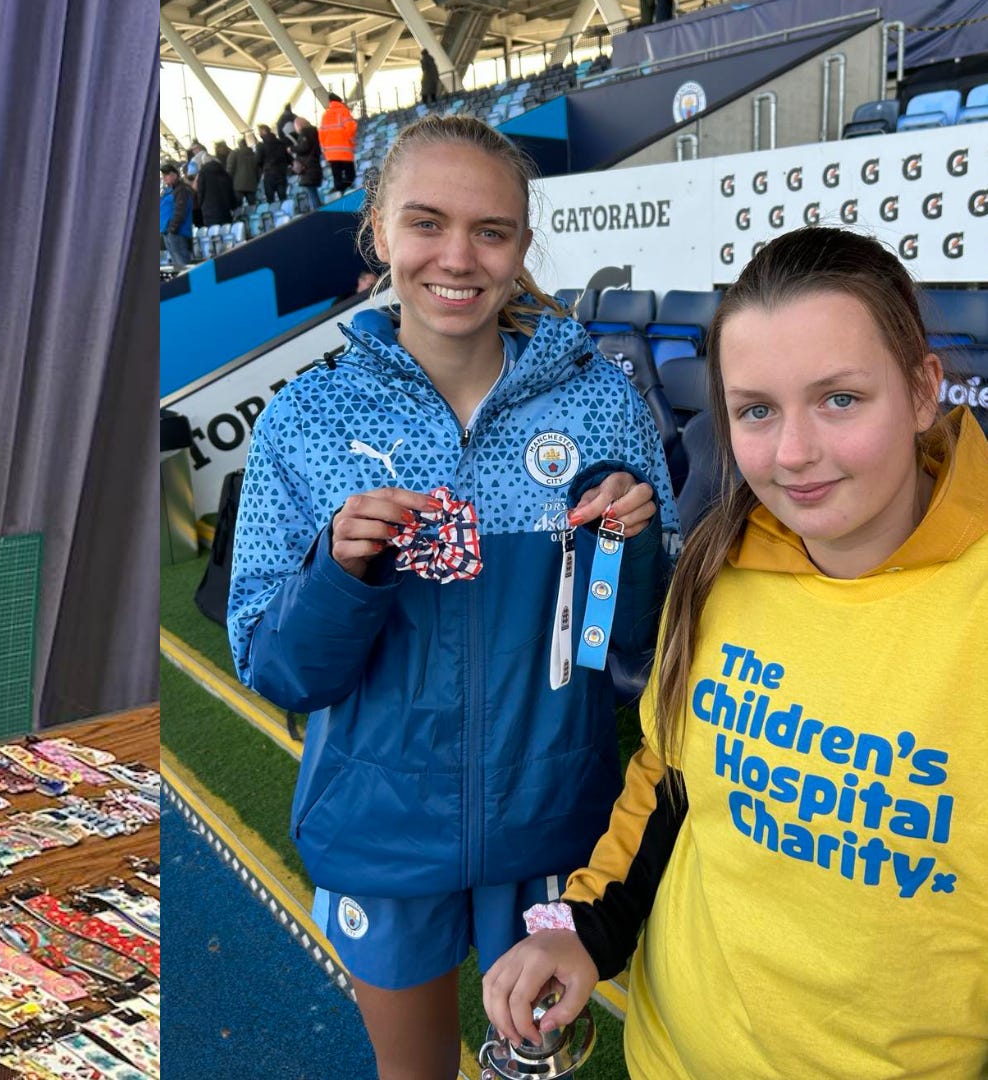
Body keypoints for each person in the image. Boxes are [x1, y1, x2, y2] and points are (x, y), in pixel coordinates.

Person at [227, 115, 676, 1079]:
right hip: (379, 830)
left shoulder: (600, 400)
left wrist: (634, 555)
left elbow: (640, 647)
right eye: (426, 223)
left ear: (522, 245)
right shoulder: (307, 419)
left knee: (539, 1070)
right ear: (378, 232)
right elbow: (277, 669)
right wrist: (341, 574)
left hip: (560, 818)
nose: (458, 258)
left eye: (492, 231)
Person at [483, 226, 988, 1078]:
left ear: (922, 390)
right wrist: (579, 926)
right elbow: (667, 775)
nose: (792, 455)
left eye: (839, 399)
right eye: (757, 410)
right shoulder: (718, 569)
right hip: (671, 1055)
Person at [319, 93, 358, 194]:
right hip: (345, 150)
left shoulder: (325, 115)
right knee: (350, 176)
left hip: (331, 153)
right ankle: (347, 191)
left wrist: (325, 150)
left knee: (337, 178)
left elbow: (321, 135)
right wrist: (350, 141)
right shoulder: (344, 111)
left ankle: (339, 192)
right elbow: (351, 128)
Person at [160, 161, 195, 270]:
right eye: (164, 175)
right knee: (177, 265)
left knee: (182, 265)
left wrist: (172, 228)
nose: (165, 177)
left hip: (177, 232)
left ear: (175, 175)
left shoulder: (181, 190)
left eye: (168, 174)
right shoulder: (170, 190)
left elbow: (180, 211)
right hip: (168, 231)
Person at [195, 142, 236, 228]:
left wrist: (201, 205)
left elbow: (200, 192)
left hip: (209, 212)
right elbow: (230, 189)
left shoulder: (203, 173)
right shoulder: (222, 171)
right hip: (225, 210)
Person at [289, 116, 324, 210]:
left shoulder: (305, 133)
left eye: (295, 126)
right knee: (312, 192)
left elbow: (304, 147)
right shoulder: (314, 132)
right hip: (314, 166)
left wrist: (292, 148)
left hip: (309, 168)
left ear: (299, 125)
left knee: (312, 192)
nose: (295, 129)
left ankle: (317, 212)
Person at [255, 123, 291, 203]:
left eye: (259, 132)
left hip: (269, 174)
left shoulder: (261, 146)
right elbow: (287, 157)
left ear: (264, 131)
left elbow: (258, 160)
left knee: (270, 199)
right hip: (282, 173)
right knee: (283, 197)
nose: (259, 134)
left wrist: (262, 169)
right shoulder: (280, 142)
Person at [227, 133, 260, 208]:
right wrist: (256, 180)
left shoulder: (234, 154)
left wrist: (229, 180)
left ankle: (240, 218)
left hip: (238, 185)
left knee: (238, 206)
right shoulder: (253, 154)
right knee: (253, 205)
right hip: (252, 183)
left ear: (239, 145)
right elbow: (258, 169)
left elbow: (230, 169)